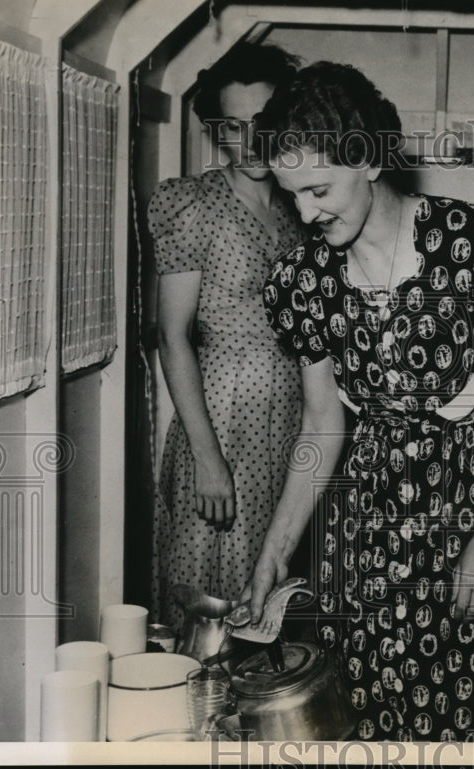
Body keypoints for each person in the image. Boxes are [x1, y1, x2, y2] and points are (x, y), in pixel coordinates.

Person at [242, 61, 474, 742]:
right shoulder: (303, 281)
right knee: (381, 719)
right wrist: (275, 548)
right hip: (372, 536)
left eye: (319, 189)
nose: (305, 213)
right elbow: (322, 425)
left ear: (370, 159)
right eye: (292, 195)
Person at [148, 43, 305, 631]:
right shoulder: (194, 204)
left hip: (289, 427)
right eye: (234, 127)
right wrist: (207, 459)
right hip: (219, 424)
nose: (252, 140)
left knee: (270, 600)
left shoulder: (300, 209)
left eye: (264, 123)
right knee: (208, 609)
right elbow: (173, 337)